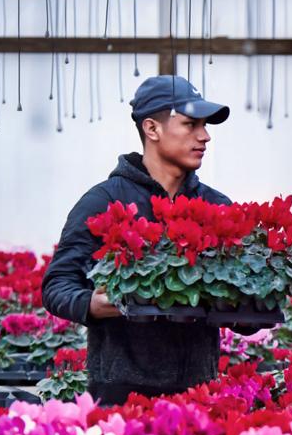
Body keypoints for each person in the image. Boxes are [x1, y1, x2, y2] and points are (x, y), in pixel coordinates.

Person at [42, 75, 232, 406]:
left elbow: (244, 298)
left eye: (204, 126)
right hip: (119, 393)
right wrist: (91, 305)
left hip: (199, 391)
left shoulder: (215, 207)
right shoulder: (104, 202)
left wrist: (244, 304)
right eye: (191, 125)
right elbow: (57, 284)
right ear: (152, 129)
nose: (205, 136)